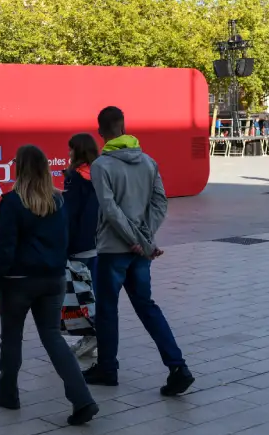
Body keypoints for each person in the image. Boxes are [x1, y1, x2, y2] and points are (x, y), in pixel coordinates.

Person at [83, 106, 194, 396]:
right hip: (140, 252)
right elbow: (160, 204)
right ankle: (177, 366)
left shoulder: (100, 166)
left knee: (107, 310)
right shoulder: (148, 162)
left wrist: (133, 238)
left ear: (101, 131)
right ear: (124, 126)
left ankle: (108, 368)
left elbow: (109, 210)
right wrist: (143, 240)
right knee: (146, 305)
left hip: (111, 250)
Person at [0, 144, 99, 424]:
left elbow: (4, 249)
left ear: (20, 169)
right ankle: (82, 398)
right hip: (53, 280)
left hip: (18, 282)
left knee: (11, 338)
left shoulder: (11, 202)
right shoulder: (59, 201)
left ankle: (8, 393)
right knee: (52, 337)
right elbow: (65, 240)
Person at [63, 133, 101, 359]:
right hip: (99, 243)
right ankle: (96, 336)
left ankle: (90, 335)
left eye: (71, 149)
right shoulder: (100, 173)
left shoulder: (74, 177)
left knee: (79, 294)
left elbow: (70, 214)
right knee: (93, 292)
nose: (68, 154)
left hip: (78, 245)